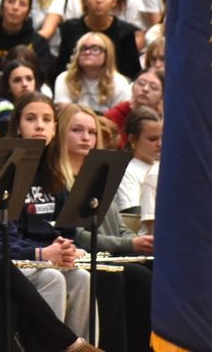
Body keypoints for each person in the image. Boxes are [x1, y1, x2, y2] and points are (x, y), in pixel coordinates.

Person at [0, 103, 92, 339]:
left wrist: (56, 248)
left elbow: (11, 234)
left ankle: (80, 343)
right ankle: (61, 345)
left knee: (81, 276)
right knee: (50, 278)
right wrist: (39, 254)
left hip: (6, 259)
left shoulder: (1, 177)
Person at [60, 104, 154, 352]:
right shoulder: (57, 178)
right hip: (84, 255)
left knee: (152, 267)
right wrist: (129, 244)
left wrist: (136, 241)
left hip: (109, 252)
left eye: (91, 132)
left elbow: (119, 226)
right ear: (62, 133)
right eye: (77, 130)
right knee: (129, 276)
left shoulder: (100, 173)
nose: (85, 137)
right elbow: (76, 235)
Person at [58, 0, 142, 80]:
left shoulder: (125, 33)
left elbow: (131, 73)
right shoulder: (70, 29)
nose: (99, 0)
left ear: (114, 2)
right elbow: (62, 68)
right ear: (85, 0)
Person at [54, 31, 131, 112]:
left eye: (95, 49)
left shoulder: (119, 82)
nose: (87, 52)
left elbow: (119, 118)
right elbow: (64, 114)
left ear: (107, 54)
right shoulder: (65, 78)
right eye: (83, 48)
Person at [115, 105, 162, 212]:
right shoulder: (126, 171)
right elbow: (131, 214)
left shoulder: (163, 167)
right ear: (132, 139)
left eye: (163, 138)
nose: (160, 144)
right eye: (152, 139)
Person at [104, 68, 164, 143]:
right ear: (132, 87)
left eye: (153, 87)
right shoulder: (113, 116)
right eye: (141, 83)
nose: (145, 89)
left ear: (162, 95)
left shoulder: (166, 121)